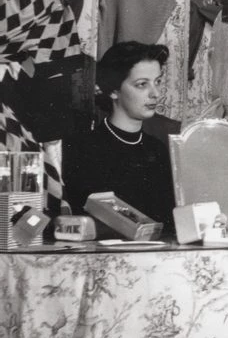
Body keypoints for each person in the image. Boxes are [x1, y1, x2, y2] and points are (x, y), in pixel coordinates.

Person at [62, 41, 176, 227]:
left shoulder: (158, 149)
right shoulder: (82, 149)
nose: (155, 93)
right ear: (114, 90)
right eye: (142, 84)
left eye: (157, 82)